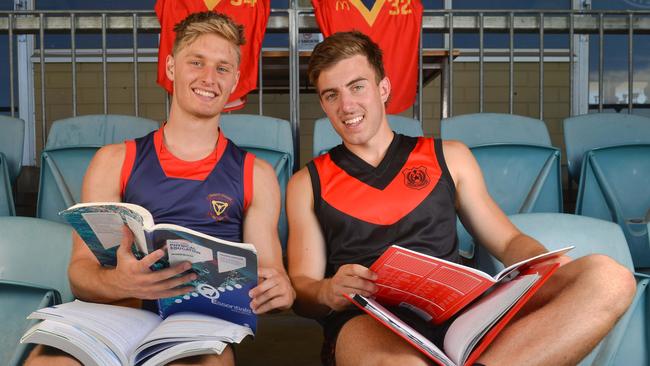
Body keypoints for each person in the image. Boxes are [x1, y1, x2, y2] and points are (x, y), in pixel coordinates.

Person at [286, 31, 636, 366]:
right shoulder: (307, 182)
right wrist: (329, 290)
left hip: (463, 312)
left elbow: (509, 240)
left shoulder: (449, 156)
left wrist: (540, 263)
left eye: (357, 86)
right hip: (368, 321)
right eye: (331, 94)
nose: (346, 105)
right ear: (322, 102)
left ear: (383, 88)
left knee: (609, 278)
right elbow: (302, 291)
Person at [26, 11, 294, 366]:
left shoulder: (255, 174)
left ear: (235, 81)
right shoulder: (113, 160)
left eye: (222, 68)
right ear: (170, 67)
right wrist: (122, 283)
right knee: (47, 363)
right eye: (196, 62)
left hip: (197, 329)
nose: (208, 78)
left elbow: (270, 274)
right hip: (115, 316)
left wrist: (280, 291)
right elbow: (80, 273)